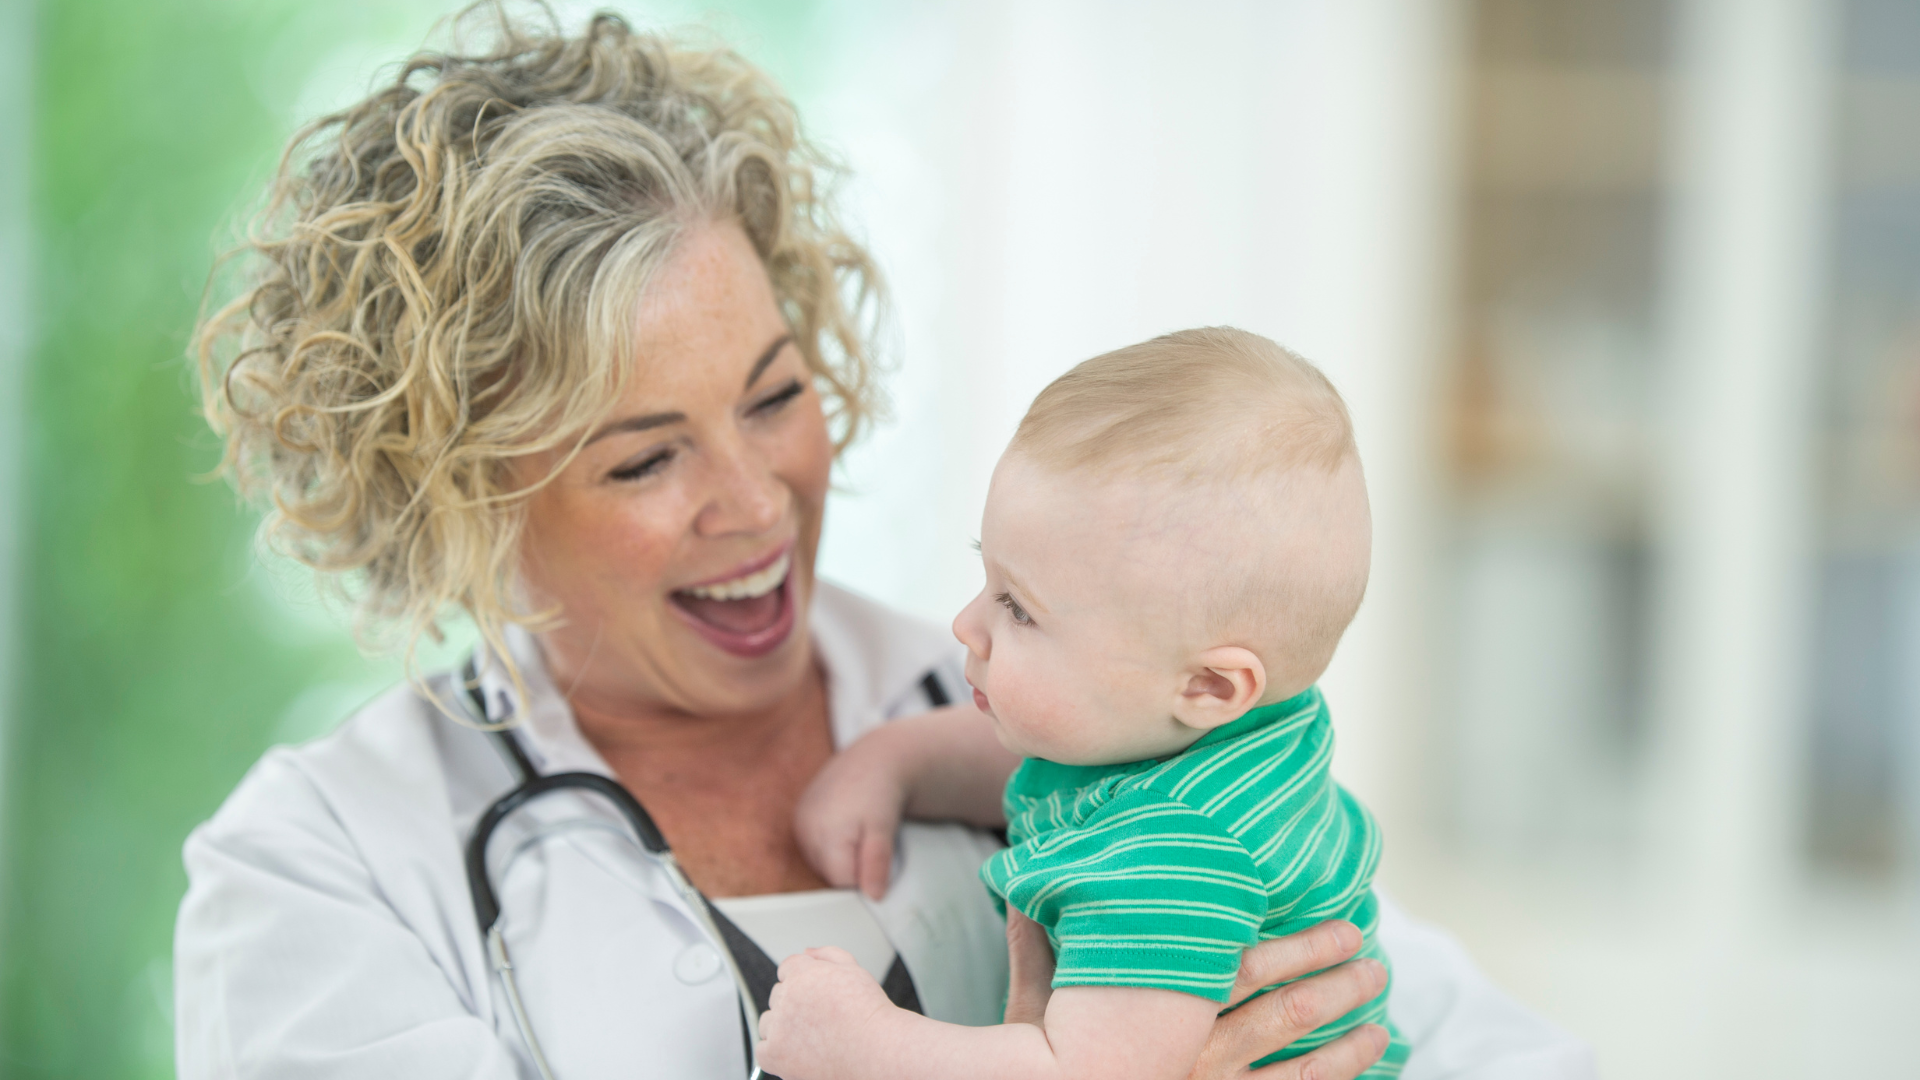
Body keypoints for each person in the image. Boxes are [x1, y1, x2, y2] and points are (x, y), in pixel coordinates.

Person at [174, 6, 1595, 1079]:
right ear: (459, 490)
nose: (758, 498)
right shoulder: (322, 866)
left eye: (776, 396)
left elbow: (1477, 1042)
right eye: (646, 455)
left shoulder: (1086, 712)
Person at [764, 329, 1408, 1080]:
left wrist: (863, 1049)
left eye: (1020, 609)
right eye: (987, 573)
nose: (967, 625)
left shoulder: (1171, 852)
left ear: (1210, 688)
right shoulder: (1228, 727)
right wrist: (894, 762)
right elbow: (1049, 758)